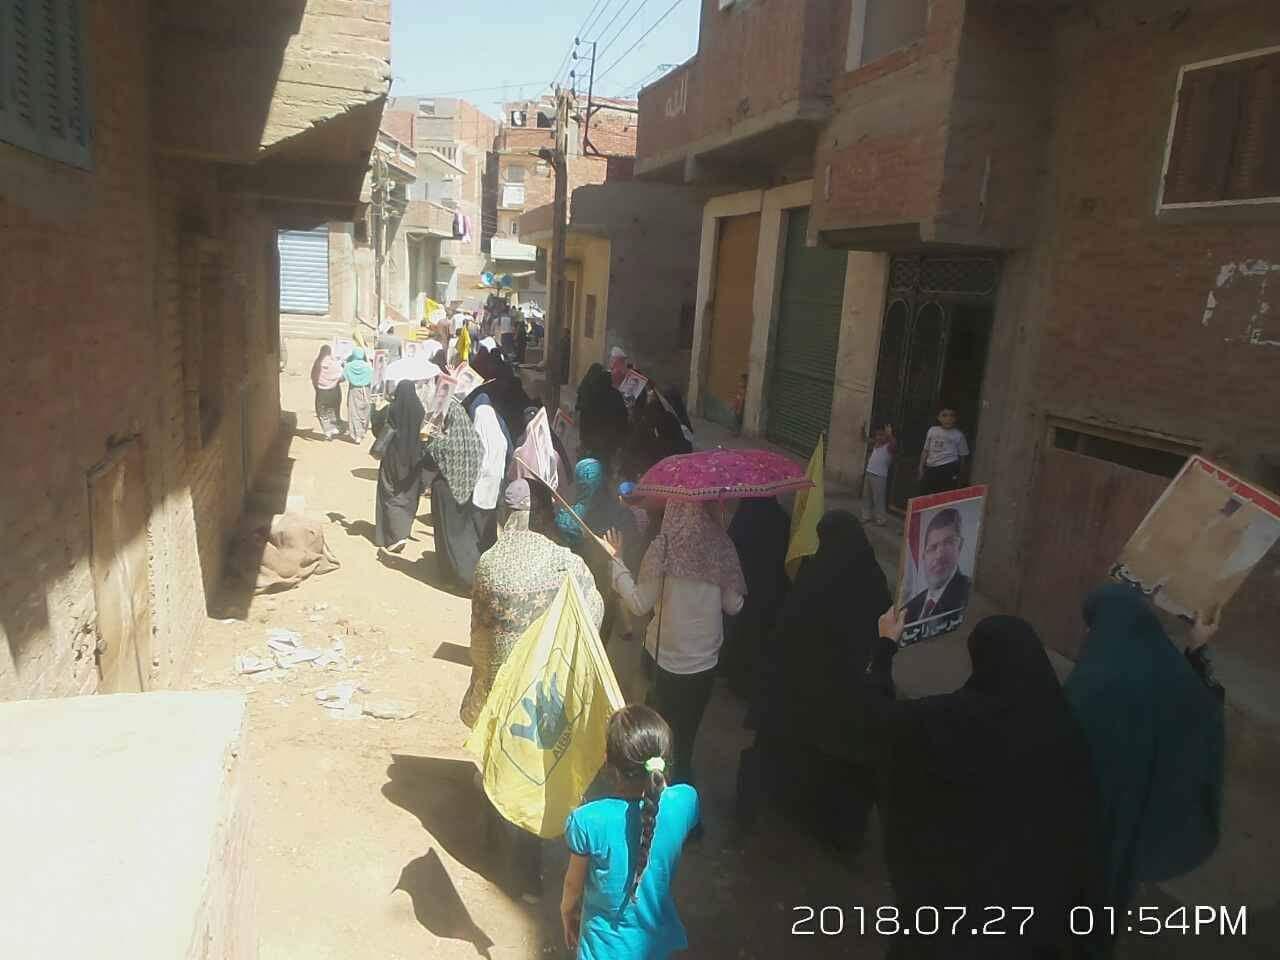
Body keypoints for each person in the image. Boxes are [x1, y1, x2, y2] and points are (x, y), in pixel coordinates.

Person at [868, 610, 1105, 959]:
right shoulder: (1065, 732)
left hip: (948, 917)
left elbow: (878, 720)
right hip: (1030, 921)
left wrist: (885, 647)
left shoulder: (950, 719)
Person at [1065, 585, 1224, 915]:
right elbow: (1202, 707)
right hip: (1152, 832)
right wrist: (1197, 646)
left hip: (1088, 830)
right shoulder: (1176, 676)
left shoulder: (1091, 680)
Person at [741, 511, 888, 850]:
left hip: (807, 688)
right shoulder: (872, 576)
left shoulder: (816, 574)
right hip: (850, 689)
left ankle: (797, 807)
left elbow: (788, 627)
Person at [606, 501, 746, 792]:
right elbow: (734, 605)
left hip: (664, 661)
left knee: (658, 739)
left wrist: (617, 563)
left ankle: (653, 795)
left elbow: (639, 603)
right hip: (705, 663)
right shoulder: (721, 546)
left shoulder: (664, 548)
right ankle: (683, 798)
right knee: (686, 738)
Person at [561, 705, 699, 960]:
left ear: (607, 762)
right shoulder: (686, 801)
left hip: (603, 950)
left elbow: (572, 885)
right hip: (655, 947)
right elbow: (667, 799)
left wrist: (566, 911)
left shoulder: (587, 820)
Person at [721, 497, 790, 709]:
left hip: (744, 586)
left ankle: (734, 675)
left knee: (740, 631)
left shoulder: (745, 516)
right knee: (759, 635)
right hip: (770, 590)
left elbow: (731, 546)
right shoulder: (783, 519)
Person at [424, 395, 486, 585]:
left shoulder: (445, 443)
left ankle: (453, 574)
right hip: (467, 490)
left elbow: (430, 453)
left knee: (447, 535)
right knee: (464, 534)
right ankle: (472, 572)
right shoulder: (473, 438)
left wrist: (429, 436)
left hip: (446, 492)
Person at [374, 381, 427, 553]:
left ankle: (393, 536)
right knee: (408, 496)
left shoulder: (393, 408)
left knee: (389, 492)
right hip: (414, 460)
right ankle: (403, 531)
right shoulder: (420, 410)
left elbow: (378, 430)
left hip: (392, 458)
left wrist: (377, 408)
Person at [902, 507, 971, 623]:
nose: (939, 555)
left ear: (960, 546)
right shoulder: (908, 609)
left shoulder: (968, 595)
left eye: (948, 543)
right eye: (932, 547)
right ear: (923, 556)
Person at [576, 364, 630, 467]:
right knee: (605, 463)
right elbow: (623, 418)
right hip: (609, 440)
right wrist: (620, 439)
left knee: (589, 465)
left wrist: (583, 439)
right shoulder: (616, 395)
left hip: (591, 440)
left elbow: (584, 418)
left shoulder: (591, 394)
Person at [917, 407, 969, 494]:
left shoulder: (958, 435)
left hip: (948, 468)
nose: (948, 419)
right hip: (931, 467)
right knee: (925, 495)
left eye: (952, 416)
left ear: (955, 419)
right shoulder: (932, 430)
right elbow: (925, 450)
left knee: (944, 495)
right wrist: (921, 467)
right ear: (938, 418)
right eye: (944, 415)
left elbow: (962, 456)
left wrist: (960, 474)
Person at [863, 423, 895, 524]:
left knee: (879, 499)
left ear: (886, 436)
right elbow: (866, 439)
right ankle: (866, 516)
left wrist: (890, 434)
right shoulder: (876, 444)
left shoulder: (888, 447)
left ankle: (881, 519)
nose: (878, 437)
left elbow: (894, 444)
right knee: (867, 497)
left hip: (879, 476)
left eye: (881, 435)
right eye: (877, 435)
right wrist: (863, 430)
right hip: (869, 473)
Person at [310, 344, 344, 439]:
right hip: (334, 391)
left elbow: (313, 377)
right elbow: (341, 376)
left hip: (321, 392)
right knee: (332, 409)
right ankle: (334, 428)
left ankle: (327, 430)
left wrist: (317, 386)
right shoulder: (334, 364)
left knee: (322, 411)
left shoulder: (317, 363)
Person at [342, 347, 375, 443]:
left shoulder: (349, 366)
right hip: (367, 390)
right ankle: (362, 431)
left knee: (354, 412)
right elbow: (374, 377)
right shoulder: (368, 366)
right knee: (365, 411)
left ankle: (357, 435)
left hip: (354, 390)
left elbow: (343, 377)